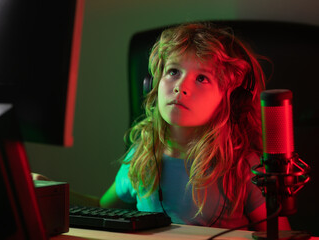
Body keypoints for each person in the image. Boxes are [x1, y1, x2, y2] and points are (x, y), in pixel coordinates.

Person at [34, 22, 291, 230]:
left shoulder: (243, 166)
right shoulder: (143, 156)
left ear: (231, 100)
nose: (181, 86)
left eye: (202, 77)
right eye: (173, 71)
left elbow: (280, 233)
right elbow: (103, 208)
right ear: (153, 84)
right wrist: (44, 188)